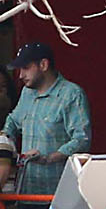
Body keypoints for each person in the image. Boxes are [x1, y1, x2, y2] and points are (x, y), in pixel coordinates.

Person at [6, 43, 92, 197]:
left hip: (58, 193)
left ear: (43, 65)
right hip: (26, 191)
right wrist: (4, 142)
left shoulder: (71, 94)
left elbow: (82, 139)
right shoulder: (27, 92)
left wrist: (49, 158)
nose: (20, 75)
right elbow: (13, 121)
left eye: (25, 68)